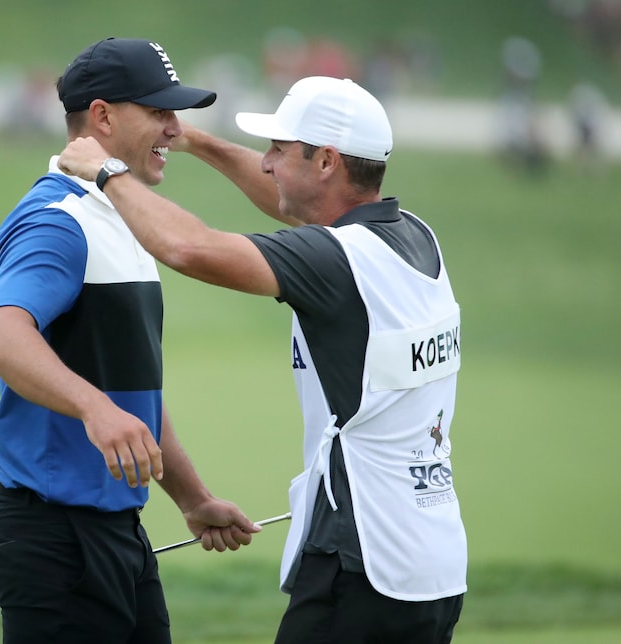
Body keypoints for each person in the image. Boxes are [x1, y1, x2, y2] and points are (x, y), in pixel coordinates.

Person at [59, 75, 468, 643]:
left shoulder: (335, 262)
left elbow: (189, 248)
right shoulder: (414, 237)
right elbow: (300, 206)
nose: (268, 163)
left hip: (361, 563)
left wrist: (107, 173)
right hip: (433, 568)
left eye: (279, 149)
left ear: (326, 161)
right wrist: (196, 143)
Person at [0, 37, 262, 644]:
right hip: (52, 536)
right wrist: (93, 408)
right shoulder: (58, 219)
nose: (174, 128)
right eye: (158, 112)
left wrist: (191, 498)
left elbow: (129, 389)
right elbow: (0, 335)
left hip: (115, 531)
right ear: (102, 116)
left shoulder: (124, 215)